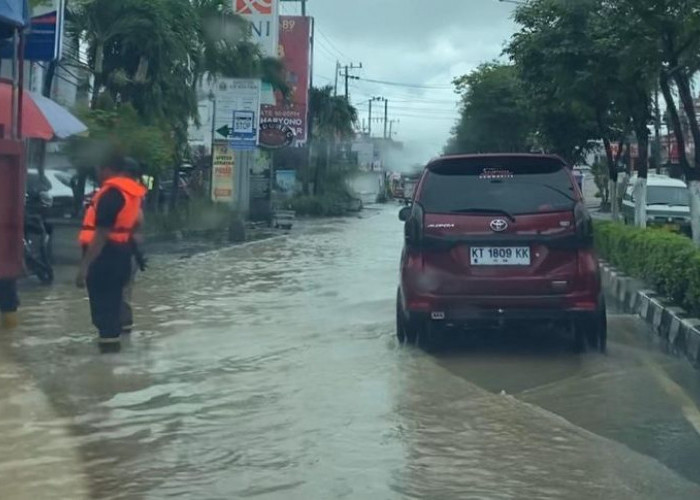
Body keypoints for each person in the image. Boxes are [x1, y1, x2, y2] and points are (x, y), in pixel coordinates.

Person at [76, 155, 147, 352]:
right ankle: (115, 362)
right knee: (114, 309)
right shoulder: (131, 194)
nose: (98, 173)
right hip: (122, 254)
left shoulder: (111, 194)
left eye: (100, 168)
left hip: (105, 257)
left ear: (108, 169)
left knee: (103, 315)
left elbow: (100, 235)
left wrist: (84, 267)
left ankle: (107, 366)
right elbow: (137, 224)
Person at [120, 158, 147, 335]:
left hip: (125, 251)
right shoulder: (133, 193)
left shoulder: (127, 194)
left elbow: (137, 220)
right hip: (128, 251)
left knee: (122, 295)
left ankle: (119, 337)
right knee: (124, 294)